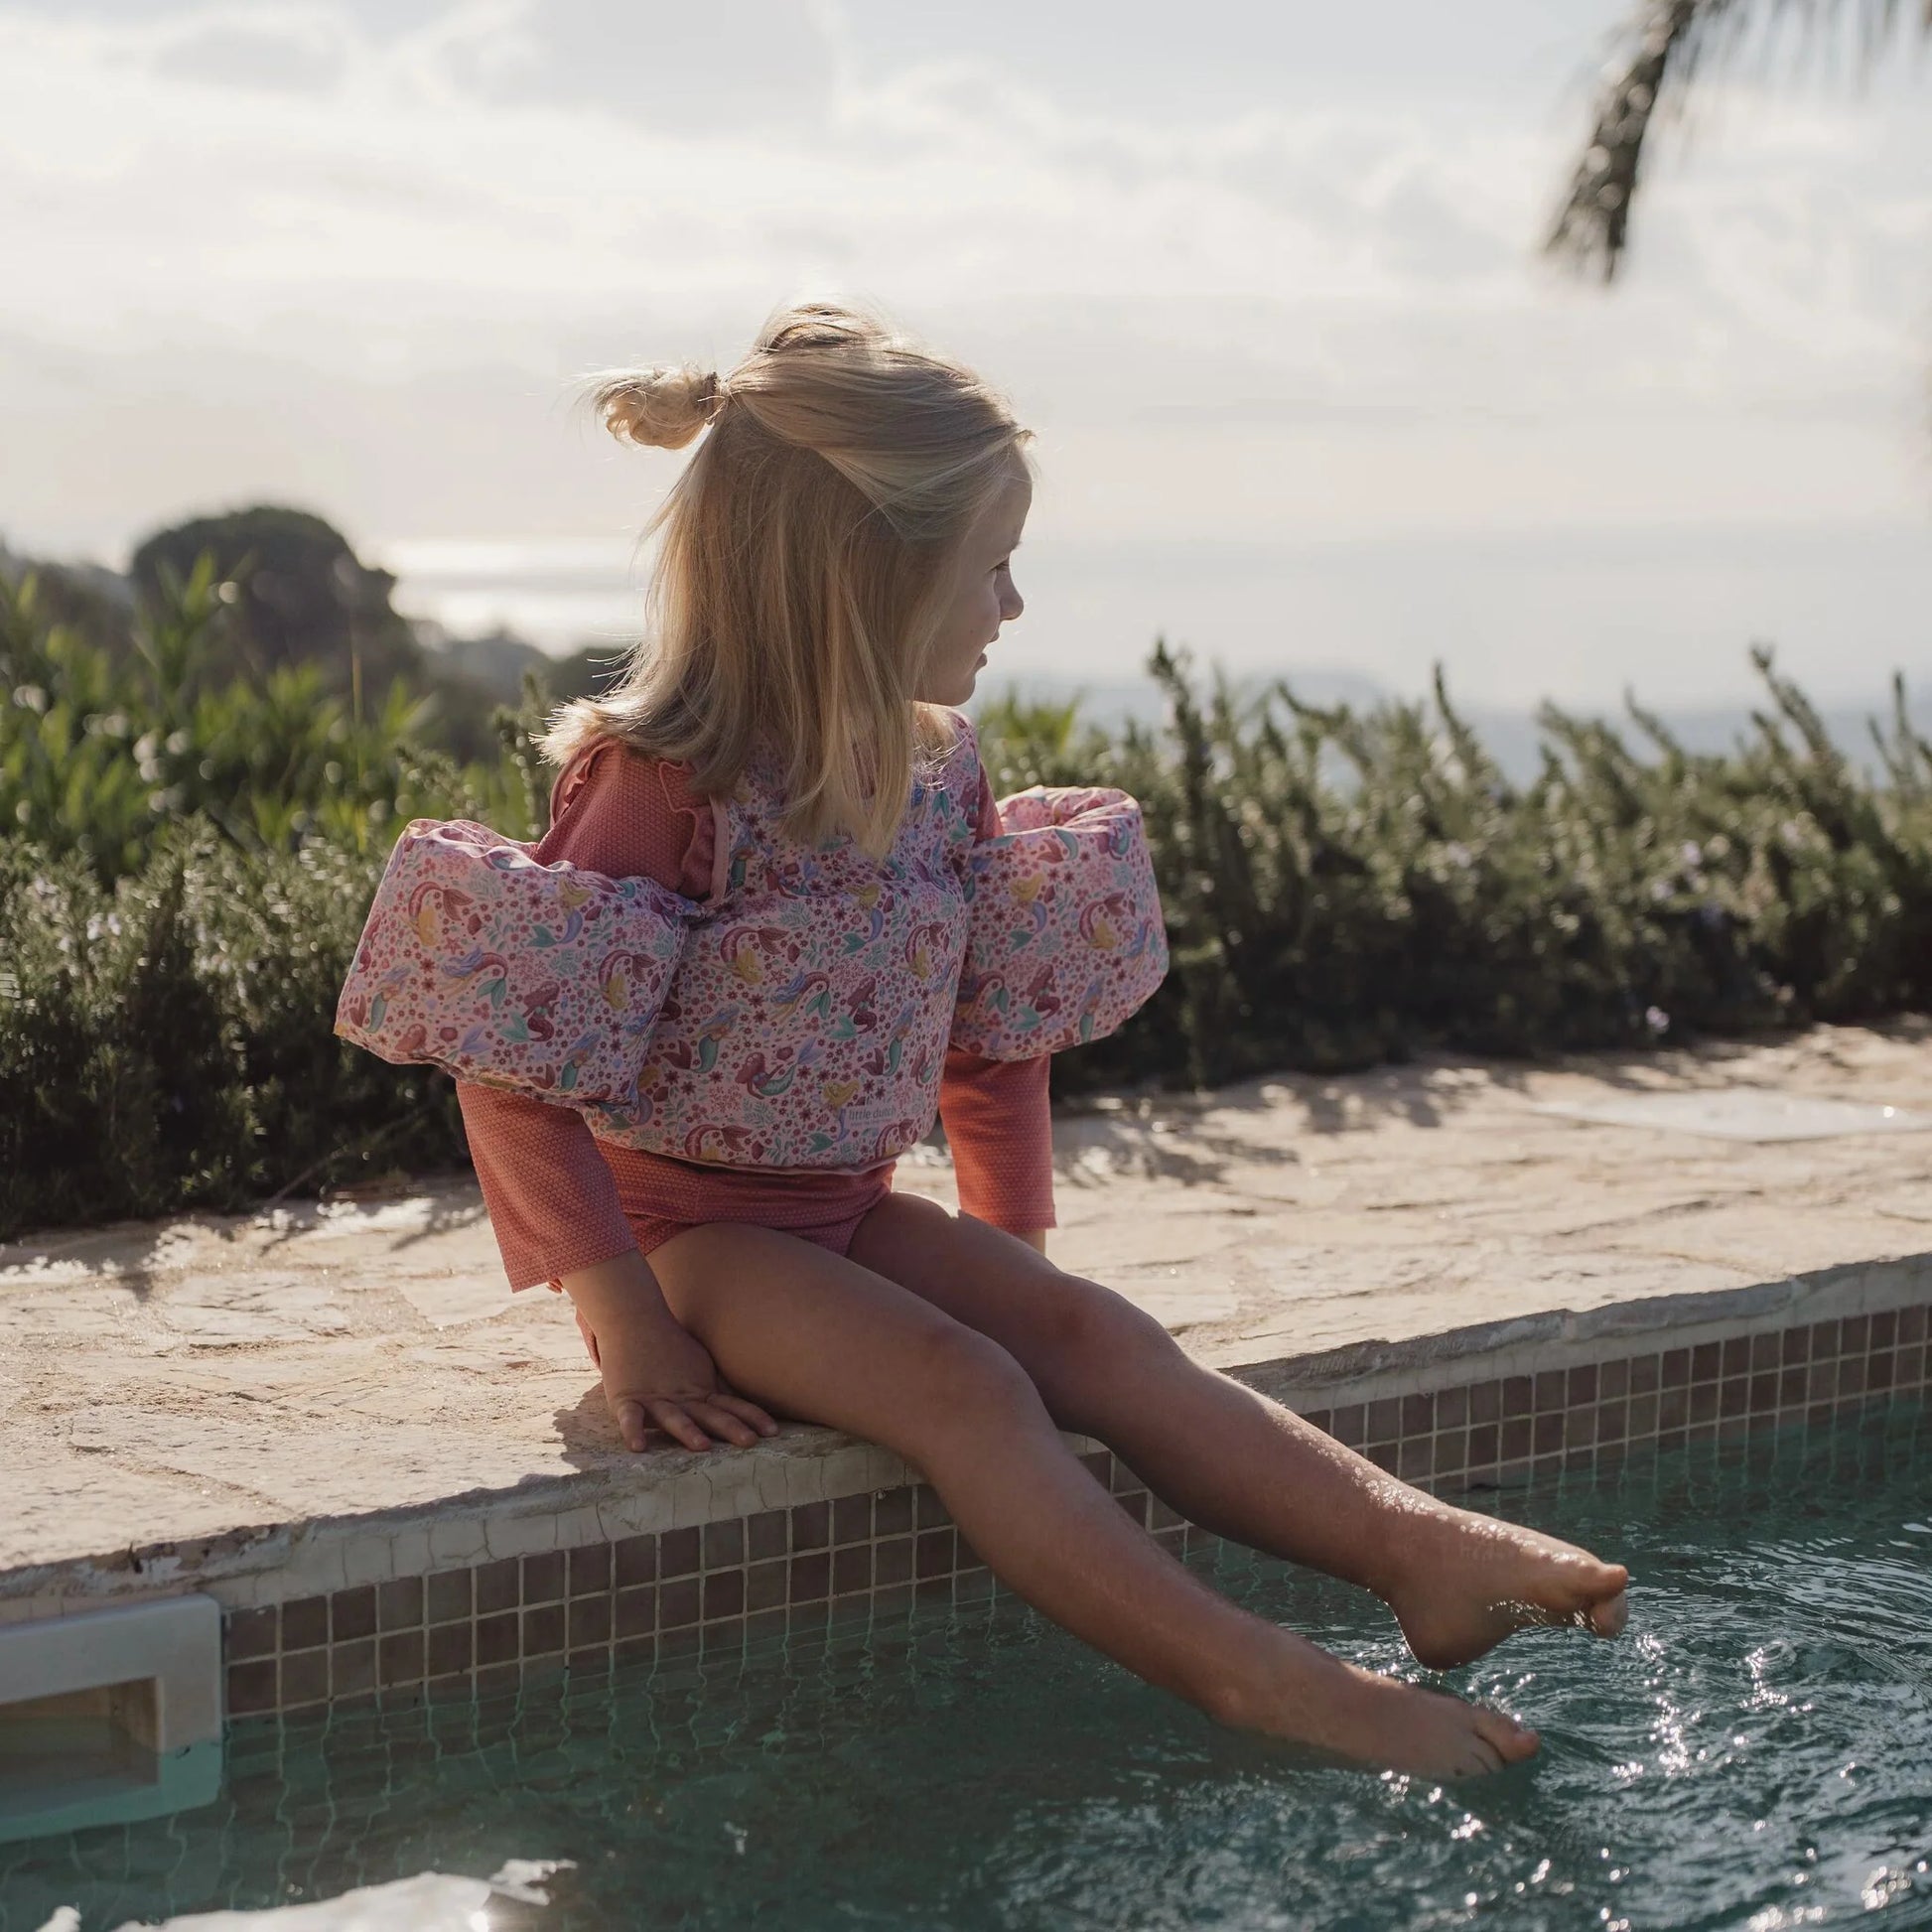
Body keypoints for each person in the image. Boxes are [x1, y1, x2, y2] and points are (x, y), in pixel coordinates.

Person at [368, 300, 1628, 1778]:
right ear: (866, 575)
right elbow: (515, 1062)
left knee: (1092, 1337)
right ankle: (1267, 1681)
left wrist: (1012, 1252)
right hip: (686, 1244)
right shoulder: (665, 782)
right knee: (966, 1390)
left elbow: (990, 1026)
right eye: (991, 566)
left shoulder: (932, 773)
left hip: (844, 1213)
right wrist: (631, 1323)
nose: (1012, 605)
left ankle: (1414, 1550)